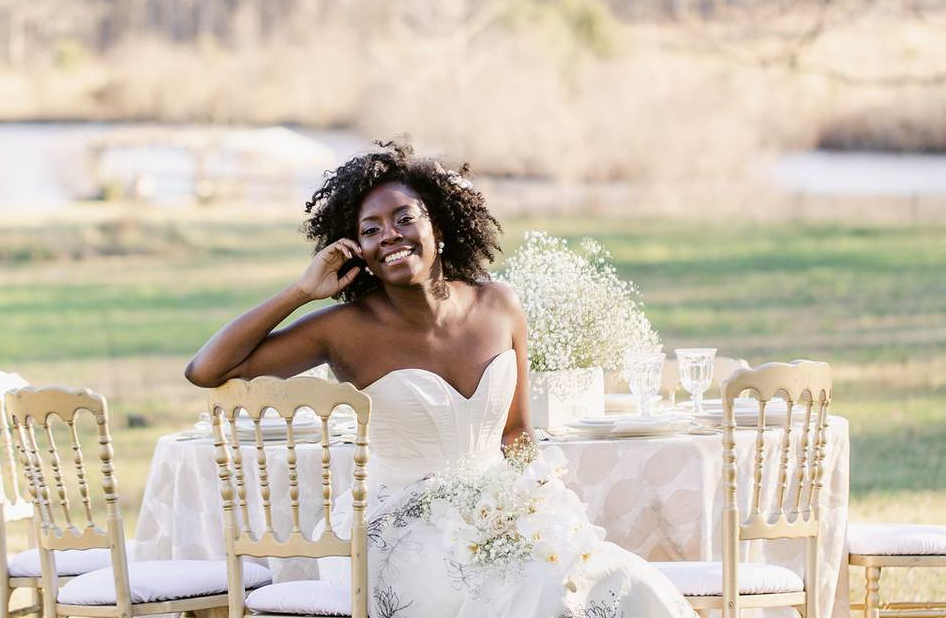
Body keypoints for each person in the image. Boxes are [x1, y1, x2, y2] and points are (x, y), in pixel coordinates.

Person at [185, 141, 694, 617]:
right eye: (370, 229)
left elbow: (515, 433)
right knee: (534, 586)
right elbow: (206, 370)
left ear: (439, 226)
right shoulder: (342, 330)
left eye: (403, 217)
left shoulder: (500, 305)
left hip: (502, 508)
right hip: (399, 526)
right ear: (357, 252)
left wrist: (541, 502)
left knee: (619, 579)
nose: (389, 234)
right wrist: (300, 291)